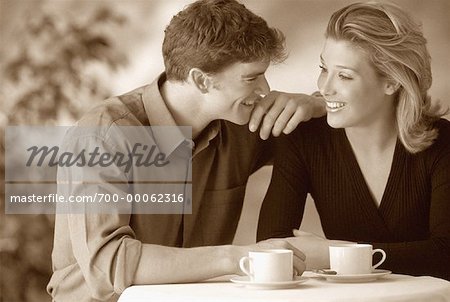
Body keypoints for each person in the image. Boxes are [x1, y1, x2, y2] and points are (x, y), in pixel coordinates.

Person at [47, 0, 326, 301]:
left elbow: (322, 138)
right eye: (251, 77)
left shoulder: (242, 125)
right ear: (201, 80)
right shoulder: (102, 135)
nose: (265, 88)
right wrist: (239, 258)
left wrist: (317, 103)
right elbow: (109, 264)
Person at [257, 1, 450, 280]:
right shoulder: (302, 138)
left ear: (392, 82)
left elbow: (445, 257)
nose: (324, 87)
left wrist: (335, 254)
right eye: (324, 68)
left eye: (344, 75)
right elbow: (272, 249)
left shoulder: (442, 144)